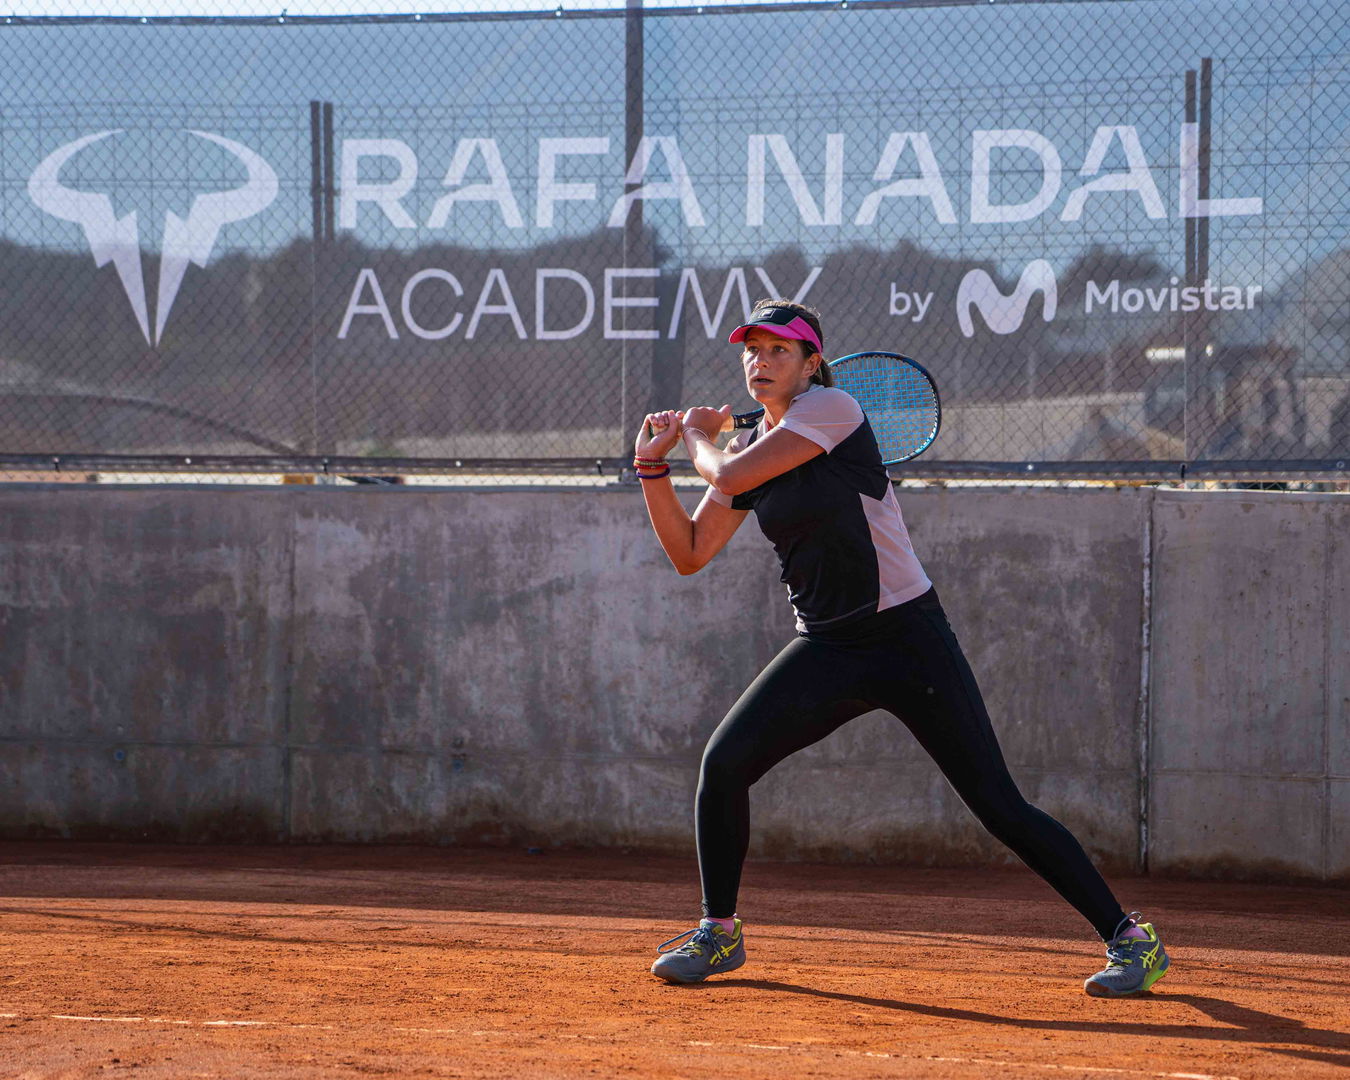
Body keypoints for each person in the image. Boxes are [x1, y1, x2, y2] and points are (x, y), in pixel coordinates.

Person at [630, 298, 1170, 998]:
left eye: (778, 351)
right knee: (724, 765)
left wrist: (700, 438)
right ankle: (719, 932)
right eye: (752, 351)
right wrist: (651, 468)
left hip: (906, 637)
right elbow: (690, 552)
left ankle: (1131, 940)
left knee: (999, 806)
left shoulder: (832, 410)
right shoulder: (748, 449)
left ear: (812, 364)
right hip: (827, 646)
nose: (760, 362)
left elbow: (726, 477)